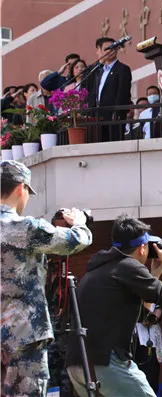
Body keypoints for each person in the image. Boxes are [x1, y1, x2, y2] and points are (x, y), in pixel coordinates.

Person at [1, 160, 92, 397]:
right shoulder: (24, 228)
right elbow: (76, 240)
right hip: (24, 335)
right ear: (21, 188)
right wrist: (80, 222)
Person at [65, 215, 162, 397]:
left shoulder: (99, 268)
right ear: (142, 248)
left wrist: (154, 275)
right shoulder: (128, 266)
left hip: (78, 364)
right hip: (105, 362)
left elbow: (141, 316)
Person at [86, 37, 133, 142]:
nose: (111, 51)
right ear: (99, 51)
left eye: (113, 48)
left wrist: (116, 112)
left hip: (113, 117)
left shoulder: (122, 69)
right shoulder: (97, 71)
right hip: (97, 117)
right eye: (107, 48)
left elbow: (123, 93)